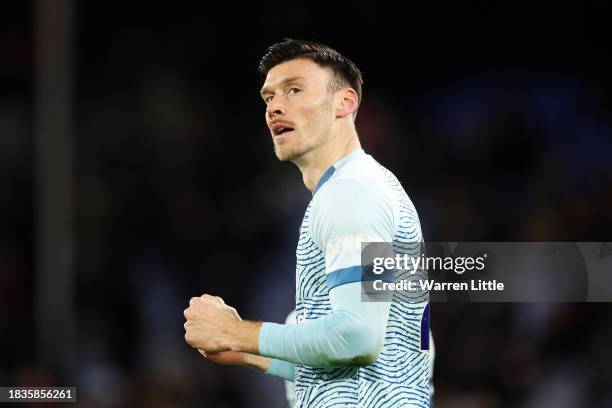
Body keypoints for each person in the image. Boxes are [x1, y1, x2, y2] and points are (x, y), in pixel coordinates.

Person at [184, 38, 432, 407]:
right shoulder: (361, 186)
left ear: (345, 103)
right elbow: (384, 365)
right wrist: (250, 353)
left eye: (294, 90)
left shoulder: (351, 193)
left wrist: (238, 333)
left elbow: (358, 338)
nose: (275, 107)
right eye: (269, 98)